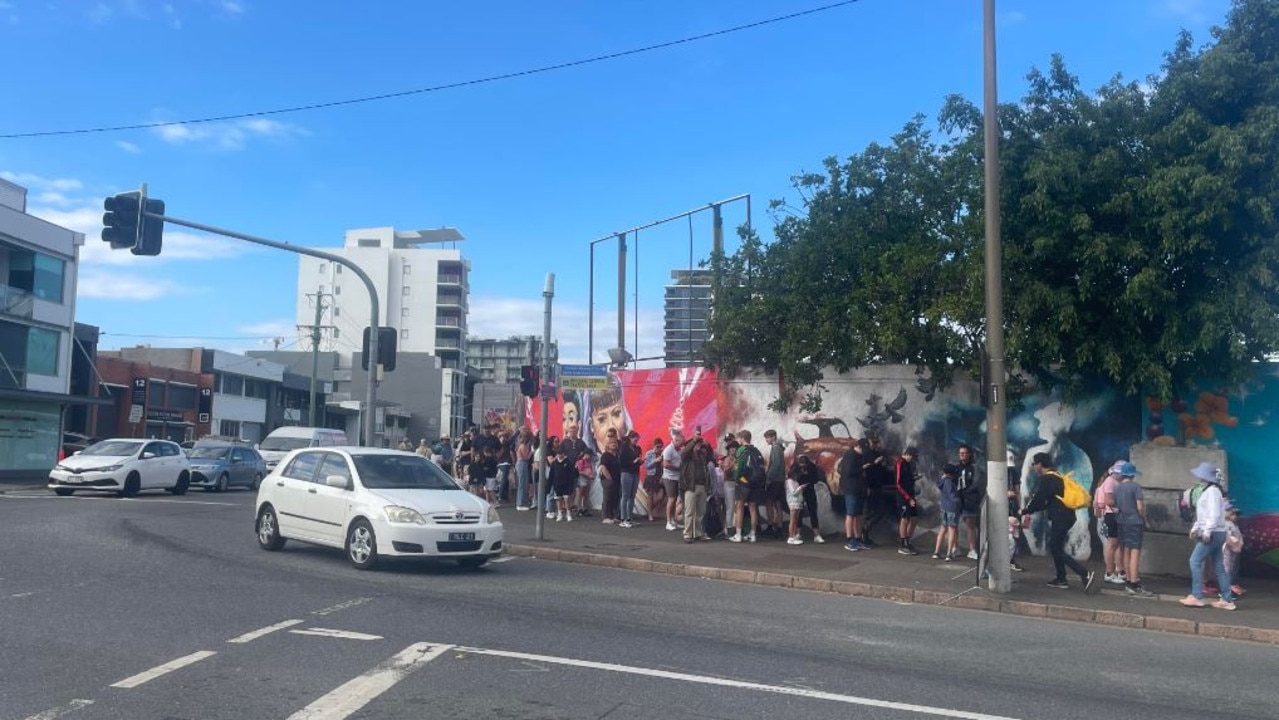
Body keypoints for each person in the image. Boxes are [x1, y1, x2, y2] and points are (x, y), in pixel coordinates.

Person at [1021, 453, 1097, 592]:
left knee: (1055, 547)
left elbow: (1039, 499)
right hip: (1066, 516)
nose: (1033, 467)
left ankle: (1083, 573)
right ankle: (1061, 578)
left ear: (1040, 464)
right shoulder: (1057, 476)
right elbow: (1049, 501)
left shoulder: (1047, 479)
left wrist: (1026, 510)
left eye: (1034, 464)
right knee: (1056, 546)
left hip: (1060, 517)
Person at [1180, 462, 1236, 610]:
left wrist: (1206, 531)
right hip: (1218, 532)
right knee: (1218, 566)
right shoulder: (1213, 491)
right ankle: (1227, 599)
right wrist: (1197, 527)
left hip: (1212, 533)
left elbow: (1213, 514)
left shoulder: (1211, 492)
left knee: (1195, 561)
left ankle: (1197, 595)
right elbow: (1207, 514)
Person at [1110, 461, 1153, 597]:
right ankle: (1134, 583)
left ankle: (1129, 581)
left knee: (1126, 551)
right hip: (1135, 522)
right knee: (1135, 552)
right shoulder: (1136, 487)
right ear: (1133, 475)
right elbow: (1140, 507)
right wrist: (1146, 521)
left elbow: (1115, 505)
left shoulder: (1117, 488)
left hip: (1122, 521)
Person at [1095, 460, 1125, 584]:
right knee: (1112, 544)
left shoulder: (1111, 482)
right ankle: (1110, 572)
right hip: (1110, 515)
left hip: (1110, 515)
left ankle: (1118, 570)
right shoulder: (1110, 483)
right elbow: (1108, 501)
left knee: (1115, 544)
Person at [838, 439, 870, 552]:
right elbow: (848, 472)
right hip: (850, 488)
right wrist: (862, 468)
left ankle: (858, 538)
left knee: (858, 515)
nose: (864, 452)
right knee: (851, 514)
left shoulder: (860, 456)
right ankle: (849, 539)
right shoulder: (850, 455)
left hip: (859, 489)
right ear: (858, 447)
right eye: (863, 449)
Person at [680, 437, 713, 543]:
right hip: (691, 486)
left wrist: (707, 444)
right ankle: (687, 534)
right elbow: (684, 452)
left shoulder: (702, 456)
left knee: (700, 512)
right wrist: (694, 441)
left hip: (702, 485)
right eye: (697, 444)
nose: (699, 445)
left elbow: (710, 455)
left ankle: (698, 533)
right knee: (689, 512)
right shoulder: (687, 457)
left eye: (699, 443)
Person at [956, 444, 985, 559]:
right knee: (953, 524)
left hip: (970, 500)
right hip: (957, 500)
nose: (962, 455)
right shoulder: (956, 467)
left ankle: (972, 549)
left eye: (964, 453)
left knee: (970, 524)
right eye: (960, 453)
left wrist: (965, 492)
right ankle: (954, 547)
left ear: (969, 454)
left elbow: (976, 483)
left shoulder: (974, 467)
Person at [790, 453, 826, 543]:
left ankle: (816, 534)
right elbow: (791, 477)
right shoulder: (795, 466)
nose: (803, 467)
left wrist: (807, 479)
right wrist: (800, 476)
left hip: (809, 489)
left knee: (813, 510)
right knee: (799, 512)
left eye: (804, 466)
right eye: (801, 466)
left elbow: (816, 479)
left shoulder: (812, 466)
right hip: (799, 490)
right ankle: (798, 533)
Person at [894, 446, 920, 555]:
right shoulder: (900, 463)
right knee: (904, 519)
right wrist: (908, 498)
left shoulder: (908, 464)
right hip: (903, 496)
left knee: (914, 519)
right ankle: (903, 543)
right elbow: (898, 484)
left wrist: (914, 478)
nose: (912, 460)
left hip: (910, 494)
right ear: (908, 454)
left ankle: (907, 540)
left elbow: (906, 479)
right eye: (912, 457)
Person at [933, 464, 961, 561]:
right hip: (952, 508)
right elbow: (952, 495)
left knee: (942, 529)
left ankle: (936, 551)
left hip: (944, 507)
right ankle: (949, 554)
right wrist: (958, 501)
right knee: (952, 530)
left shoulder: (942, 481)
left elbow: (938, 484)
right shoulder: (949, 482)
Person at [763, 429, 787, 538]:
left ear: (773, 437)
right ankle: (780, 527)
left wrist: (769, 478)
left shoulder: (776, 448)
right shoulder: (779, 448)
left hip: (775, 480)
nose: (766, 440)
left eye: (767, 437)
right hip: (780, 480)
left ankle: (770, 525)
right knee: (778, 504)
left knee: (769, 503)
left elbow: (775, 464)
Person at [662, 429, 685, 531]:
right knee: (671, 499)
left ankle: (673, 521)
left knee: (675, 499)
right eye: (680, 441)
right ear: (675, 440)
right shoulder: (668, 450)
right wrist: (677, 467)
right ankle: (668, 522)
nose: (682, 444)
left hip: (676, 477)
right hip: (669, 477)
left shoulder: (679, 449)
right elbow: (665, 464)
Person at [618, 430, 642, 528]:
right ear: (630, 438)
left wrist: (640, 461)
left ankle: (629, 518)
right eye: (634, 439)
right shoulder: (624, 448)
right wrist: (633, 461)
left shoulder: (637, 448)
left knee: (632, 496)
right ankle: (623, 519)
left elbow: (638, 461)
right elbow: (622, 462)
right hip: (626, 472)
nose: (636, 441)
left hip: (635, 473)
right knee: (625, 495)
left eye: (637, 440)